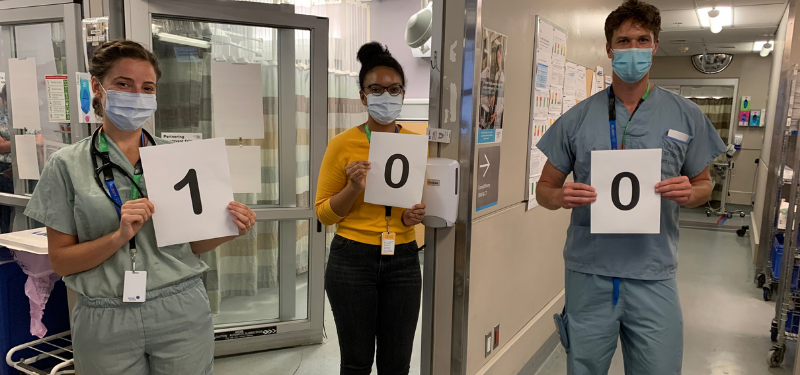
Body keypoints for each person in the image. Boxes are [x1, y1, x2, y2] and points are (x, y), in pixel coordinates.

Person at [24, 40, 257, 375]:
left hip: (180, 308)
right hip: (105, 317)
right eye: (123, 84)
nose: (136, 95)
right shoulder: (66, 165)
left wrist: (230, 228)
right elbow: (61, 261)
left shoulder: (180, 159)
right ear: (98, 89)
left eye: (147, 88)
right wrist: (118, 237)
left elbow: (194, 245)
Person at [535, 1, 726, 374]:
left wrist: (692, 192)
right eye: (624, 41)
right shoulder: (576, 119)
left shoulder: (685, 115)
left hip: (653, 272)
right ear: (609, 49)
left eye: (643, 40)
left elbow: (704, 183)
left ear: (655, 46)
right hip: (589, 273)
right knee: (585, 367)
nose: (633, 49)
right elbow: (544, 189)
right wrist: (559, 197)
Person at [315, 41, 426, 375]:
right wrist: (353, 187)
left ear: (403, 94)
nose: (386, 96)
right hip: (352, 259)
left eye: (394, 89)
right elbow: (323, 213)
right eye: (376, 89)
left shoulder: (413, 142)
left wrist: (411, 215)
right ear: (363, 96)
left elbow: (410, 203)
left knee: (397, 363)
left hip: (404, 259)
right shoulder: (343, 144)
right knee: (356, 362)